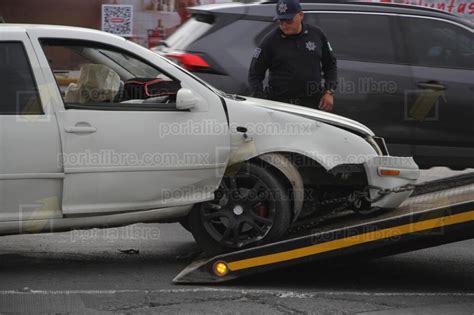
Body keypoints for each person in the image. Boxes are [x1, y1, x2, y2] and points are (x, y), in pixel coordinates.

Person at [248, 0, 337, 112]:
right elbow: (254, 74)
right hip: (280, 106)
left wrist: (329, 91)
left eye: (289, 21)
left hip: (312, 105)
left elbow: (330, 65)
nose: (284, 25)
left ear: (300, 15)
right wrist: (261, 99)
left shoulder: (316, 34)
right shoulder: (271, 41)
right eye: (281, 21)